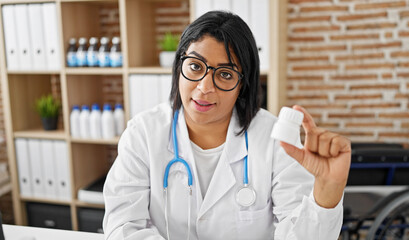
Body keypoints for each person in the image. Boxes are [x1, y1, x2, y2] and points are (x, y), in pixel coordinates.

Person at [103, 11, 351, 240]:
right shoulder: (143, 134)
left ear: (242, 85)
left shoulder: (274, 140)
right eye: (195, 66)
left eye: (225, 74)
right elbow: (123, 226)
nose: (204, 87)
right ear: (179, 67)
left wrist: (327, 192)